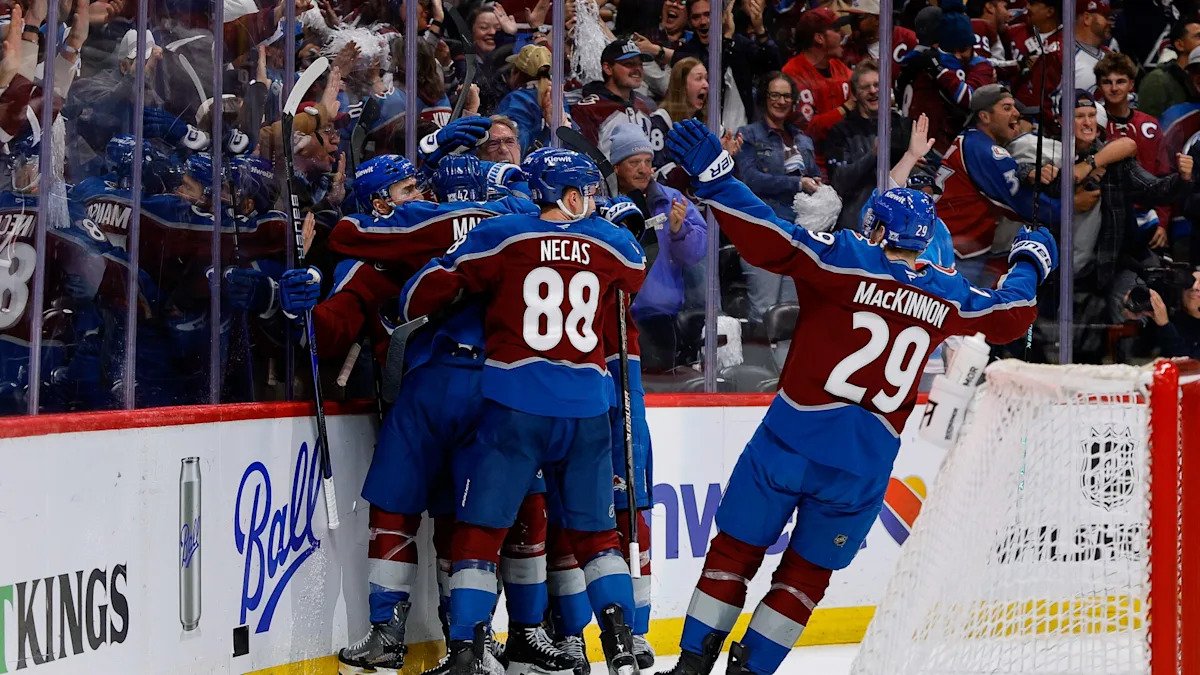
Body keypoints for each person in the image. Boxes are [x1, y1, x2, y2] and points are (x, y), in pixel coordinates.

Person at [662, 117, 1056, 675]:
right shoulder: (946, 293)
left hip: (792, 440)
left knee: (735, 550)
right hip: (862, 467)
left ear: (876, 230)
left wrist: (718, 177)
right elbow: (1010, 315)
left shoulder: (846, 257)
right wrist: (1028, 263)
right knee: (806, 579)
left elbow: (770, 238)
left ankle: (691, 665)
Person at [400, 148, 646, 675]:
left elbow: (425, 290)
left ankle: (466, 649)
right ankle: (621, 645)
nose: (594, 200)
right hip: (586, 409)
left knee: (480, 531)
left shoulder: (503, 235)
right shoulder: (614, 242)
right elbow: (633, 273)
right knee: (598, 538)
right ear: (570, 195)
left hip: (515, 405)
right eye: (588, 191)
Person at [935, 84, 1061, 286]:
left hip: (949, 245)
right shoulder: (985, 150)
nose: (1016, 113)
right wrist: (1070, 207)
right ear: (985, 117)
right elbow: (1027, 205)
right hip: (955, 253)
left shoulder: (969, 140)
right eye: (1007, 108)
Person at [605, 122, 707, 371]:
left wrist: (679, 231)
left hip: (659, 319)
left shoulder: (673, 200)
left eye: (647, 161)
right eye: (634, 162)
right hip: (611, 317)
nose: (644, 169)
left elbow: (695, 255)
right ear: (616, 167)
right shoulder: (602, 202)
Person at [825, 59, 910, 233]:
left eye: (877, 85)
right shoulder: (841, 131)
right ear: (855, 94)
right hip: (857, 221)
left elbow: (925, 170)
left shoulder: (902, 126)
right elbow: (839, 181)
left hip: (900, 219)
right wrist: (873, 155)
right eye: (865, 87)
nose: (872, 91)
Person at [781, 8, 852, 125]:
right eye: (837, 30)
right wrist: (847, 107)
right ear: (819, 38)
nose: (843, 34)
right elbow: (805, 128)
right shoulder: (792, 73)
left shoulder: (838, 65)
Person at [1137, 20, 1200, 119]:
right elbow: (1147, 122)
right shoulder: (1158, 79)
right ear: (1179, 45)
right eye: (1198, 37)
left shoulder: (1194, 78)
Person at [1072, 0, 1112, 94]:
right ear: (1087, 18)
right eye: (1105, 17)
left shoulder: (1110, 55)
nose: (1109, 22)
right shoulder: (1062, 56)